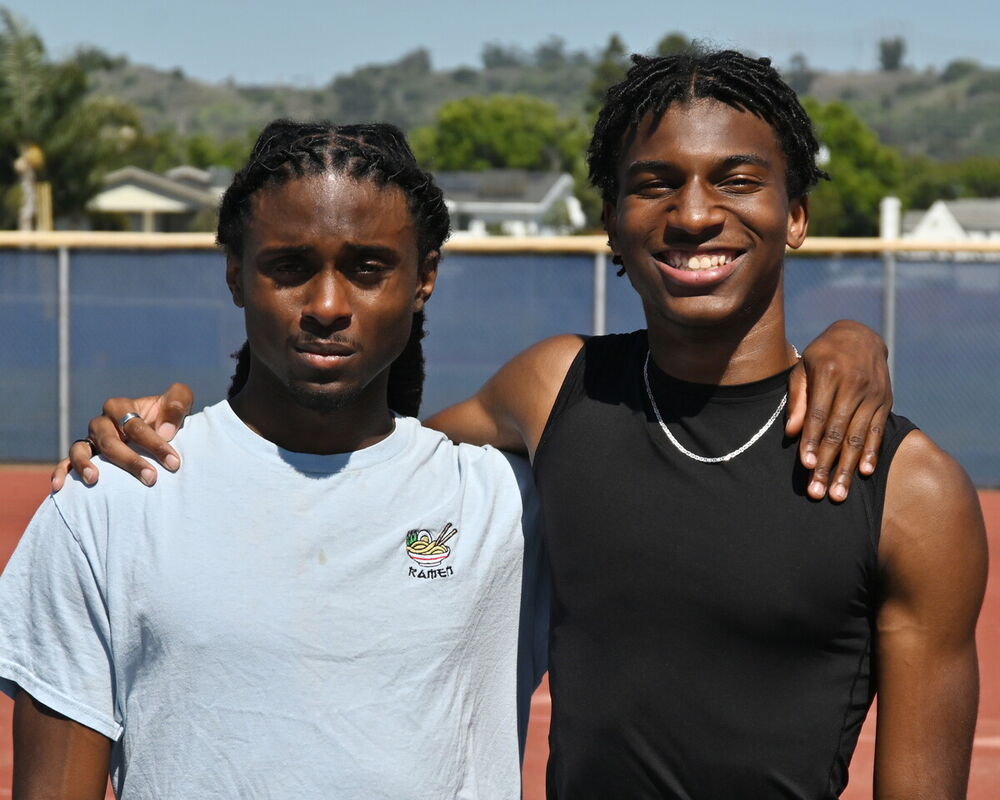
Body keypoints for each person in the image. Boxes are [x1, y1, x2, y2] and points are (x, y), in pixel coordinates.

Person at [57, 55, 907, 797]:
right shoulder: (555, 393)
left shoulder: (908, 489)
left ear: (797, 214)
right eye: (654, 182)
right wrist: (174, 424)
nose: (692, 213)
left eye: (736, 178)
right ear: (611, 220)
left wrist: (851, 340)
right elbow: (374, 459)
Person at [0, 121, 548, 798]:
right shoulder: (109, 498)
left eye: (367, 268)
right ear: (235, 273)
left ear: (424, 278)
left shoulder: (511, 508)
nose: (326, 305)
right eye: (290, 267)